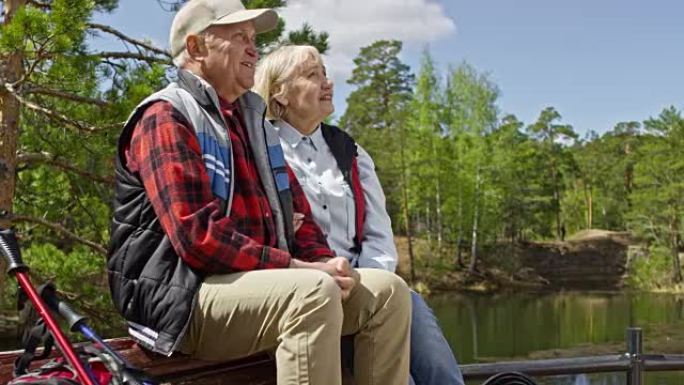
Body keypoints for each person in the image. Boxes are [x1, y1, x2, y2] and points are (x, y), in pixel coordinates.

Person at [106, 1, 411, 384]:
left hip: (253, 286)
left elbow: (298, 220)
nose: (254, 49)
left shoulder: (257, 126)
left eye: (254, 39)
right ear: (197, 48)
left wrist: (328, 263)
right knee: (312, 292)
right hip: (180, 298)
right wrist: (301, 269)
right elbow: (198, 237)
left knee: (388, 292)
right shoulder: (167, 116)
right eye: (239, 37)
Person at [254, 45, 465, 385]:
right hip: (309, 292)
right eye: (312, 75)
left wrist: (366, 282)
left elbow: (378, 233)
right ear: (280, 93)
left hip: (370, 284)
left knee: (440, 370)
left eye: (325, 73)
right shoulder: (261, 150)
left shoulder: (349, 151)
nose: (327, 83)